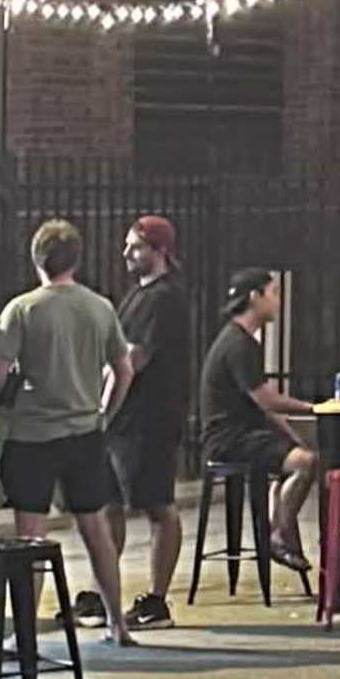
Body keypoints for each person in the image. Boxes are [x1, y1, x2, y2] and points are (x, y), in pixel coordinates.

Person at [0, 216, 132, 641]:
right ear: (77, 259)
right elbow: (122, 370)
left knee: (30, 536)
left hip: (32, 434)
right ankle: (116, 622)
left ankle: (27, 630)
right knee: (95, 528)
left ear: (36, 259)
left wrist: (9, 398)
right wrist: (103, 411)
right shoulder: (99, 307)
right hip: (85, 432)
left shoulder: (22, 310)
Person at [197, 268, 321, 570]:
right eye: (274, 293)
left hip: (245, 433)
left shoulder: (239, 338)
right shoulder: (240, 344)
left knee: (296, 455)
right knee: (307, 463)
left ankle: (281, 530)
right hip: (229, 440)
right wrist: (313, 408)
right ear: (255, 297)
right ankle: (278, 534)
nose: (279, 301)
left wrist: (291, 435)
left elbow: (262, 409)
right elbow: (266, 398)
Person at [106, 212, 196, 624]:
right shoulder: (138, 293)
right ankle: (104, 590)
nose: (127, 252)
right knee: (110, 503)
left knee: (158, 504)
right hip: (129, 419)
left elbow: (132, 360)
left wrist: (104, 410)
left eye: (136, 246)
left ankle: (157, 598)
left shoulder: (163, 298)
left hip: (151, 417)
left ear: (160, 251)